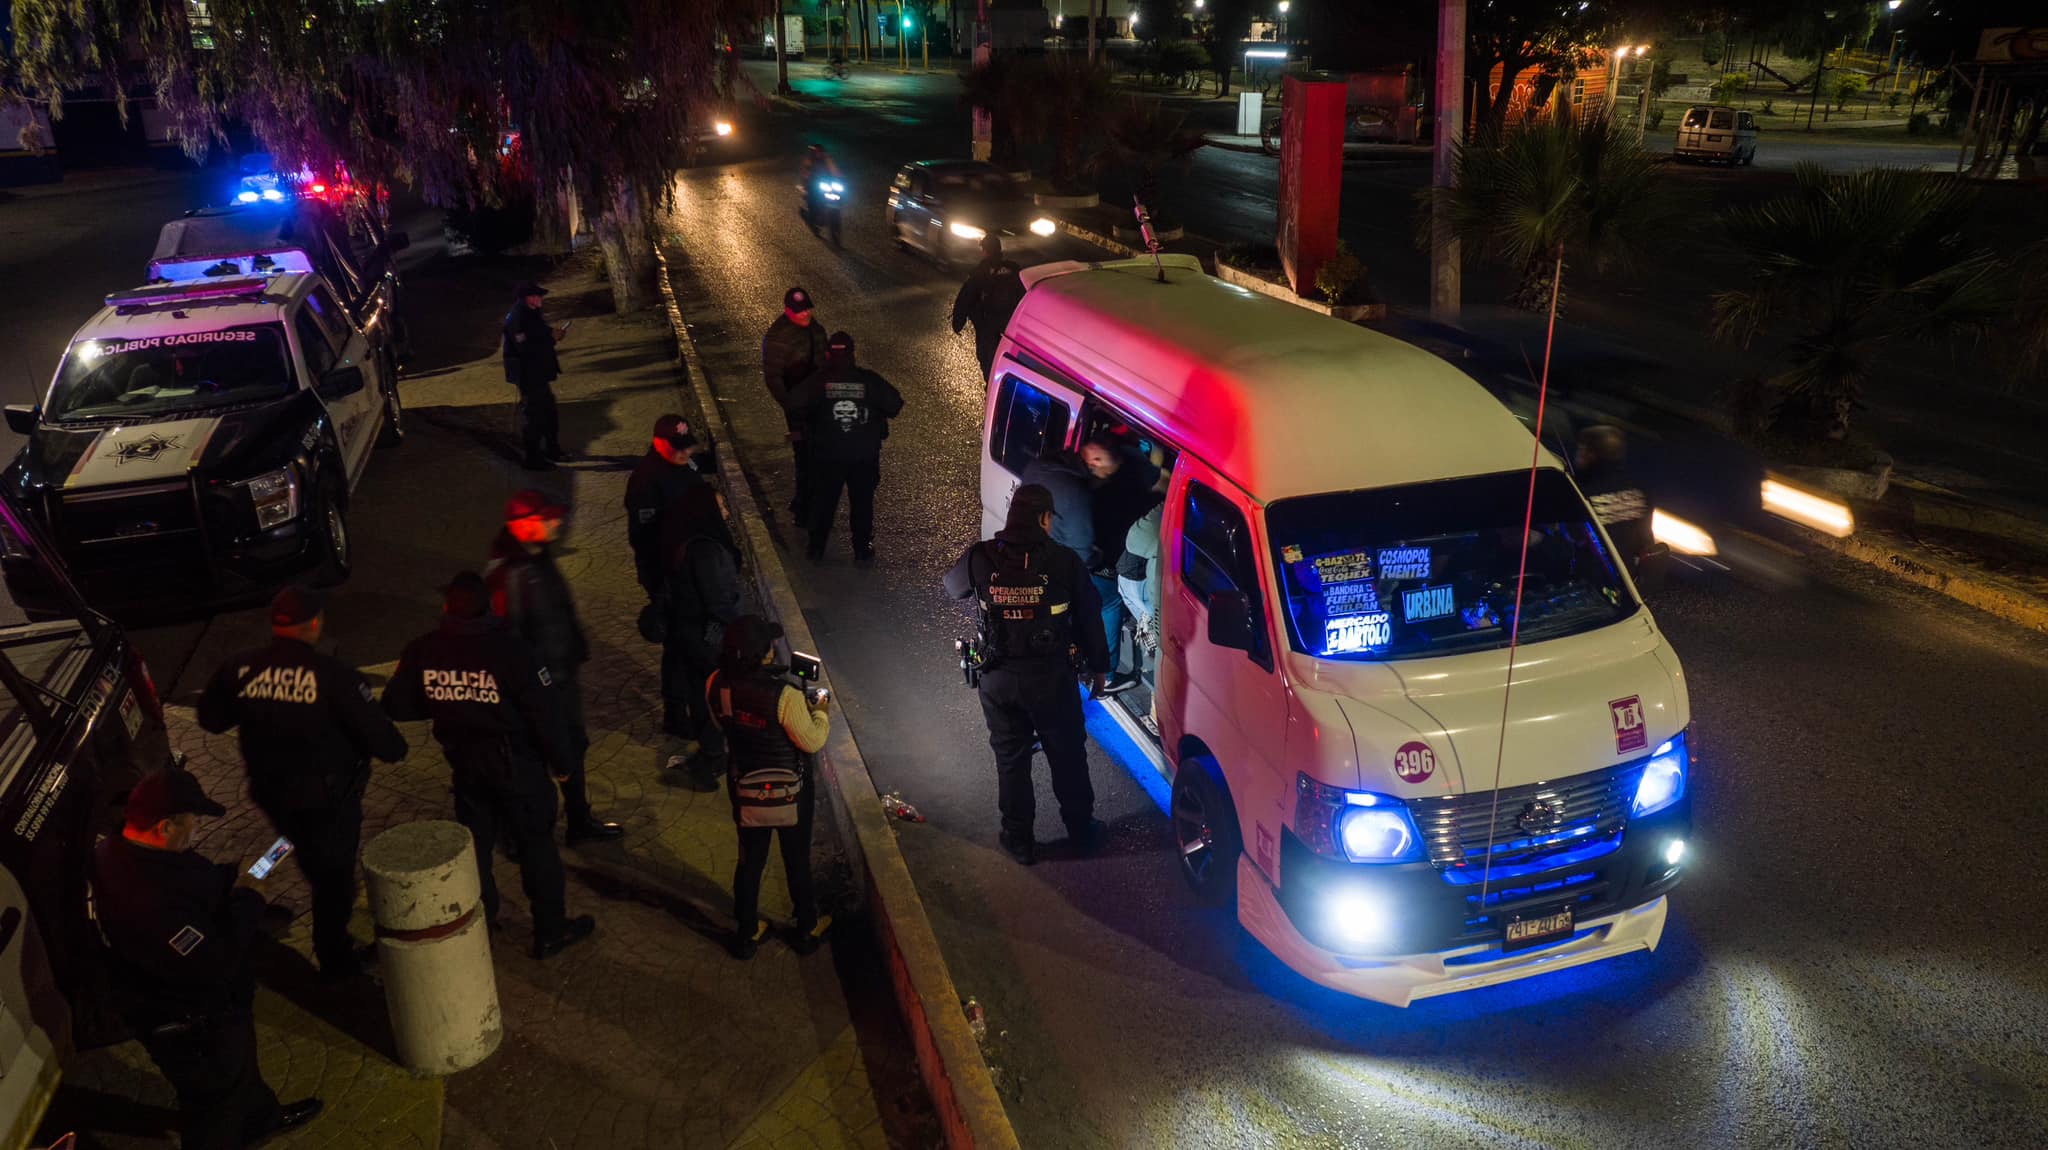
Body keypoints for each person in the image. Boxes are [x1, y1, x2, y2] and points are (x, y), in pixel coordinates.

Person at [93, 768, 325, 1149]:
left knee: (241, 1070)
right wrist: (250, 898)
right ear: (165, 826)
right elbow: (214, 960)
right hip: (191, 1025)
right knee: (214, 1104)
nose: (197, 830)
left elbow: (195, 883)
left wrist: (243, 874)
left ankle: (260, 1119)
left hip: (214, 1011)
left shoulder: (125, 848)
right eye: (193, 822)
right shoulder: (148, 902)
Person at [195, 586, 408, 979]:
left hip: (272, 793)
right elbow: (388, 744)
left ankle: (274, 869)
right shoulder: (334, 677)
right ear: (315, 624)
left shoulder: (240, 667)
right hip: (327, 803)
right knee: (334, 881)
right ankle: (336, 959)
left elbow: (210, 719)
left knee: (300, 844)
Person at [383, 574, 599, 959]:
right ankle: (550, 929)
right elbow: (545, 714)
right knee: (536, 846)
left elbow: (396, 704)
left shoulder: (424, 649)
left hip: (465, 764)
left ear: (446, 609)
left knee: (478, 845)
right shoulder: (512, 652)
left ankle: (483, 920)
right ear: (490, 608)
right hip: (515, 764)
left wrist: (445, 706)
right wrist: (564, 766)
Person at [942, 484, 1111, 865]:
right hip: (1051, 680)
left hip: (999, 679)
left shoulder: (982, 558)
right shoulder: (1065, 562)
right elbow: (1089, 618)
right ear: (1043, 518)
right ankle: (1081, 833)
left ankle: (1018, 839)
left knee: (1011, 757)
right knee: (1067, 756)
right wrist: (1099, 668)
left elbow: (952, 588)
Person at [484, 489, 624, 845]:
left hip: (560, 679)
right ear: (522, 525)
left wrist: (573, 650)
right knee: (535, 757)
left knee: (572, 748)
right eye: (546, 518)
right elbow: (511, 645)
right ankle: (522, 834)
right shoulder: (510, 575)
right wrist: (534, 688)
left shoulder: (538, 558)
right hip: (539, 691)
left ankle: (578, 820)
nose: (557, 522)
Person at [706, 615, 834, 959]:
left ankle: (747, 932)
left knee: (750, 860)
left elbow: (722, 723)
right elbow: (811, 741)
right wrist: (820, 710)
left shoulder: (716, 684)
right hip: (790, 793)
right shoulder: (786, 696)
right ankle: (807, 928)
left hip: (745, 788)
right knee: (796, 860)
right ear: (763, 655)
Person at [787, 331, 904, 562]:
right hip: (863, 457)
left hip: (826, 455)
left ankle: (816, 548)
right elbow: (895, 404)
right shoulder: (868, 381)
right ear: (852, 353)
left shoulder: (818, 381)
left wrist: (810, 423)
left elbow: (794, 403)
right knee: (862, 504)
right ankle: (861, 550)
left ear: (829, 354)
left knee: (823, 501)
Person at [661, 483, 745, 787]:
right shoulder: (707, 550)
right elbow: (719, 601)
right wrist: (743, 630)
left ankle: (711, 751)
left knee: (701, 692)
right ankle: (713, 755)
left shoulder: (687, 539)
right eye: (720, 507)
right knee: (709, 695)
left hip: (690, 630)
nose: (725, 512)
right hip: (706, 636)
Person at [1080, 436, 1161, 694]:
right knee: (1110, 606)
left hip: (1108, 559)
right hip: (1116, 563)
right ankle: (1107, 673)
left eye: (1093, 462)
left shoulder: (1101, 491)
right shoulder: (1135, 468)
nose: (1091, 467)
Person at [761, 287, 828, 520]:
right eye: (800, 311)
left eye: (807, 309)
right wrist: (790, 404)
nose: (805, 314)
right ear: (788, 310)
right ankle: (803, 505)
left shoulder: (816, 330)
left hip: (818, 403)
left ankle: (812, 500)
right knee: (804, 455)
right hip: (797, 407)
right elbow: (773, 376)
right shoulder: (779, 336)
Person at [624, 414, 707, 598]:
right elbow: (646, 537)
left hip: (692, 561)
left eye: (687, 445)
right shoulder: (645, 482)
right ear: (659, 443)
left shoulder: (681, 463)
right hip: (669, 572)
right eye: (678, 447)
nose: (685, 451)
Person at [503, 280, 570, 471]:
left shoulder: (531, 312)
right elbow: (524, 347)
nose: (541, 299)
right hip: (527, 374)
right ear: (528, 298)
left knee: (548, 411)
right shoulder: (517, 317)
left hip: (537, 372)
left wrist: (552, 333)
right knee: (534, 415)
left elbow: (538, 331)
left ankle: (552, 449)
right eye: (538, 296)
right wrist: (550, 338)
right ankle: (533, 459)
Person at [1575, 425, 1655, 565]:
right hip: (1627, 579)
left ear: (1591, 455)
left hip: (1589, 579)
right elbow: (1645, 540)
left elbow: (1572, 536)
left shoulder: (1582, 492)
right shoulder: (1641, 491)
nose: (1577, 454)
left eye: (1582, 449)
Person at [950, 234, 1026, 381]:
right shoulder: (1013, 270)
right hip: (1008, 328)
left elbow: (965, 297)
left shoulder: (981, 271)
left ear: (985, 251)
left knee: (987, 361)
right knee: (1006, 360)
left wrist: (957, 323)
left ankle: (991, 389)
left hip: (987, 327)